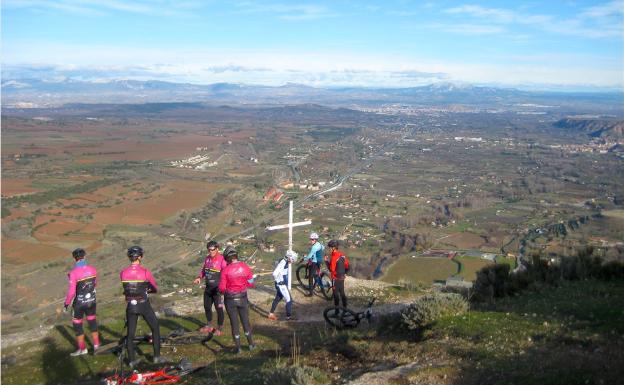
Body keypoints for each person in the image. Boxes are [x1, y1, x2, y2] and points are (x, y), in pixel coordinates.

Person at [120, 246, 165, 366]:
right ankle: (156, 357)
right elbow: (154, 288)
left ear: (130, 257)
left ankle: (132, 360)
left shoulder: (123, 273)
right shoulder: (145, 272)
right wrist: (146, 291)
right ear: (140, 257)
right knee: (155, 328)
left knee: (130, 334)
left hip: (131, 306)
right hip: (143, 304)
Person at [218, 246, 255, 354]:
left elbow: (222, 288)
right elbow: (251, 282)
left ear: (227, 258)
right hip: (243, 297)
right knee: (245, 321)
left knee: (234, 323)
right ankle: (251, 344)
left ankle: (238, 347)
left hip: (230, 299)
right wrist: (244, 284)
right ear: (236, 255)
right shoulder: (245, 267)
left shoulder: (225, 270)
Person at [64, 248, 100, 356]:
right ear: (84, 256)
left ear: (74, 259)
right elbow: (95, 284)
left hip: (79, 303)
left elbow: (71, 292)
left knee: (77, 325)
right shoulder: (93, 269)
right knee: (92, 321)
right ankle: (97, 346)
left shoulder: (73, 273)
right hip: (91, 301)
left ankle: (83, 349)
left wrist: (66, 303)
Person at [193, 240, 227, 335]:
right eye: (209, 250)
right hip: (208, 288)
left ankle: (220, 328)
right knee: (207, 307)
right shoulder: (207, 259)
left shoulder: (222, 260)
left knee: (218, 308)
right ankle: (209, 325)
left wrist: (223, 287)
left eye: (213, 249)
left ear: (217, 249)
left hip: (218, 289)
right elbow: (204, 270)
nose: (211, 251)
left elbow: (226, 273)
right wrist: (199, 277)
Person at [268, 250, 297, 321]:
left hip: (279, 284)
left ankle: (271, 314)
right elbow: (275, 273)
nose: (293, 261)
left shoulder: (285, 261)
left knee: (278, 298)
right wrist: (279, 281)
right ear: (289, 257)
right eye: (293, 259)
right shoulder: (283, 262)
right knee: (289, 300)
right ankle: (288, 317)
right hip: (281, 285)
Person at [327, 240, 349, 313]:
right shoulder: (342, 255)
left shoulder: (334, 257)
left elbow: (331, 269)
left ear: (333, 248)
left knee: (336, 294)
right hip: (342, 277)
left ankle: (337, 311)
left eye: (329, 247)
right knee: (342, 293)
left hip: (335, 278)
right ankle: (345, 309)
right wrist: (345, 273)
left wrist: (326, 261)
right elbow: (347, 265)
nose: (329, 249)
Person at [303, 232, 325, 296]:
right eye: (311, 239)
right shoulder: (319, 244)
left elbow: (309, 256)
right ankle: (321, 288)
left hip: (314, 262)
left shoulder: (314, 247)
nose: (311, 240)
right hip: (320, 260)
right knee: (317, 275)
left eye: (312, 239)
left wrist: (304, 258)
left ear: (315, 240)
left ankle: (311, 293)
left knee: (310, 277)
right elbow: (323, 248)